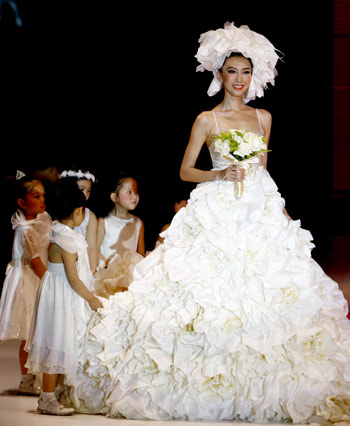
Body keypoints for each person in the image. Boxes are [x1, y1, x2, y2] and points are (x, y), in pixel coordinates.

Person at [63, 22, 350, 424]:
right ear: (219, 75)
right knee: (206, 292)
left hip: (257, 210)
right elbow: (184, 171)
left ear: (255, 76)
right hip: (216, 205)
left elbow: (263, 170)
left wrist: (280, 212)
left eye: (245, 72)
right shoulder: (206, 120)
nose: (238, 79)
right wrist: (219, 175)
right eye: (231, 71)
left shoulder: (264, 117)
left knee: (267, 289)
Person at [24, 179, 103, 416]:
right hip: (60, 299)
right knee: (56, 344)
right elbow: (73, 279)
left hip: (62, 295)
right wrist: (91, 298)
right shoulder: (65, 240)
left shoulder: (63, 234)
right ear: (78, 212)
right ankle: (46, 397)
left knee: (62, 342)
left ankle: (55, 391)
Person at [0, 173, 51, 395]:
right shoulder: (25, 230)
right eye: (36, 196)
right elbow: (36, 262)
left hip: (37, 276)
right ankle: (27, 380)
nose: (42, 200)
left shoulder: (42, 220)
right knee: (29, 334)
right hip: (28, 280)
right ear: (22, 203)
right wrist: (53, 283)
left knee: (38, 331)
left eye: (43, 196)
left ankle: (37, 377)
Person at [94, 173, 145, 297]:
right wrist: (108, 264)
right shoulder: (104, 222)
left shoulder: (138, 223)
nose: (134, 196)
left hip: (130, 281)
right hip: (107, 278)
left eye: (136, 192)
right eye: (129, 192)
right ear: (114, 197)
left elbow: (140, 254)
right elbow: (94, 250)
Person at [58, 169, 98, 273]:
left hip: (82, 263)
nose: (85, 194)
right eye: (81, 190)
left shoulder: (90, 216)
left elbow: (92, 247)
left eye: (88, 191)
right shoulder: (60, 214)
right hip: (61, 263)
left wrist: (92, 270)